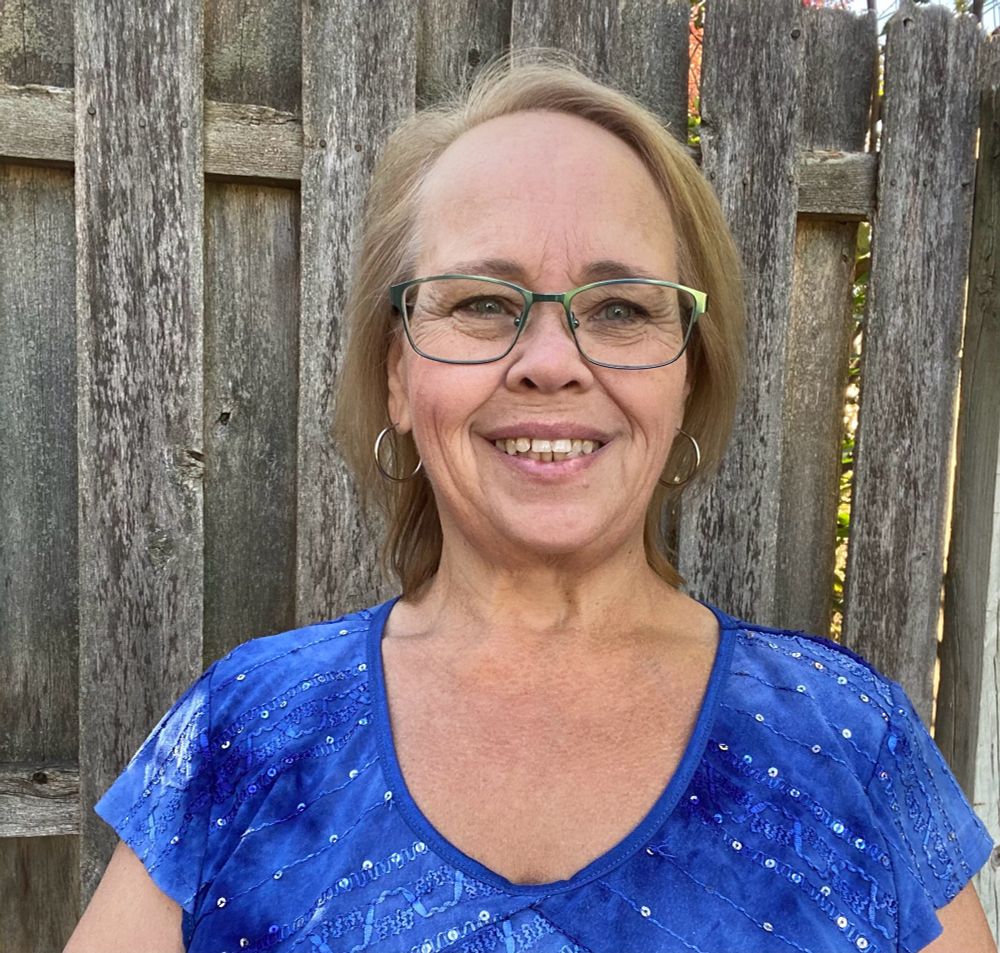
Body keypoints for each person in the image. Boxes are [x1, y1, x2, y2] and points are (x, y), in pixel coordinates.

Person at [65, 53, 995, 953]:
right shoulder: (247, 731)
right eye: (481, 301)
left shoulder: (847, 742)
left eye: (621, 308)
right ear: (398, 374)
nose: (550, 361)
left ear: (686, 379)